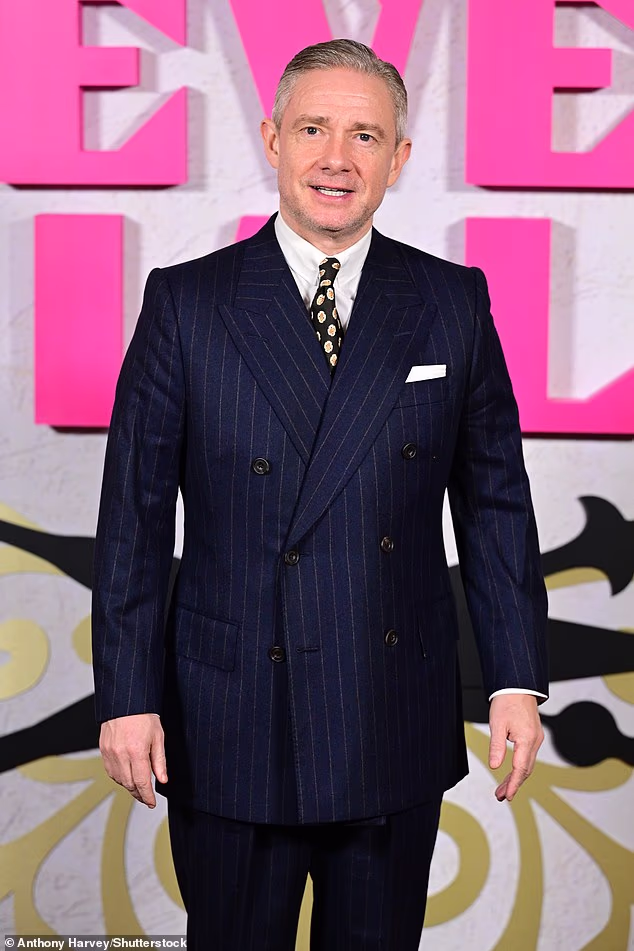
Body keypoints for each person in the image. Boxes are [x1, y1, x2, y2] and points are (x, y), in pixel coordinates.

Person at [92, 39, 548, 950]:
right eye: (313, 129)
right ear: (272, 139)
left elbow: (495, 500)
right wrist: (126, 693)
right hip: (229, 712)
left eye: (365, 135)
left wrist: (515, 677)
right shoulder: (187, 303)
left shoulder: (451, 300)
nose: (336, 158)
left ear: (399, 158)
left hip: (390, 705)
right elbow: (135, 521)